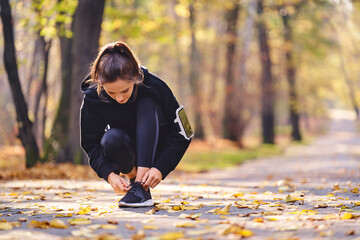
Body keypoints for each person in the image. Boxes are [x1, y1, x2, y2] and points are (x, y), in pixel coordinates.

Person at [80, 41, 193, 207]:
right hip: (125, 149)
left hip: (158, 148)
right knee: (110, 138)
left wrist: (160, 168)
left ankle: (141, 187)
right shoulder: (92, 97)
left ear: (135, 77)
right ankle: (136, 182)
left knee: (147, 102)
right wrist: (109, 174)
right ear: (100, 84)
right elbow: (90, 143)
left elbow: (184, 133)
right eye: (111, 92)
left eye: (125, 90)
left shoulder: (154, 85)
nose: (119, 98)